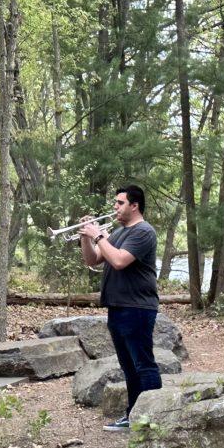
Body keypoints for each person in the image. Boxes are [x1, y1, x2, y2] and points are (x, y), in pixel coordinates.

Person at [80, 185, 162, 432]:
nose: (114, 206)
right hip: (117, 307)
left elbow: (118, 261)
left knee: (143, 364)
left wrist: (98, 235)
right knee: (128, 367)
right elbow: (93, 259)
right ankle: (134, 415)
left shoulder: (144, 232)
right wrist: (86, 235)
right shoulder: (118, 232)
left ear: (134, 205)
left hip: (137, 307)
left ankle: (154, 417)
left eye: (120, 202)